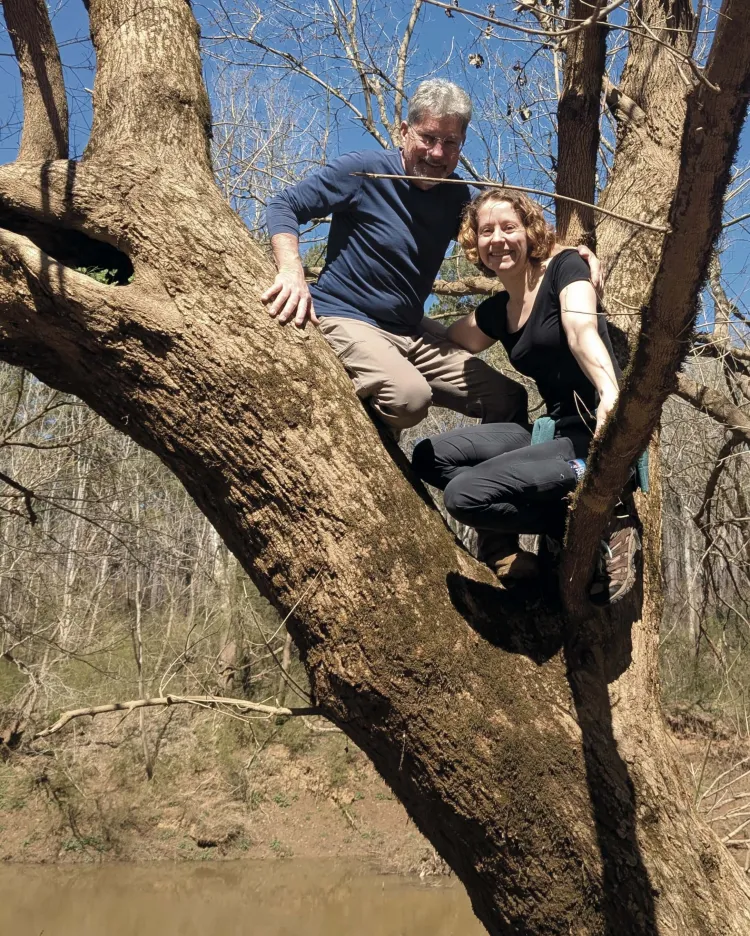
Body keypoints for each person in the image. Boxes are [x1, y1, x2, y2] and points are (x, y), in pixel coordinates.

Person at [262, 79, 601, 431]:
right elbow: (285, 204)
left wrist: (573, 254)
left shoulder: (459, 197)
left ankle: (487, 480)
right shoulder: (364, 172)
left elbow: (518, 232)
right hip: (349, 316)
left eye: (450, 142)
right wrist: (291, 271)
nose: (437, 153)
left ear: (460, 145)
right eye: (428, 138)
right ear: (405, 131)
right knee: (410, 399)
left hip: (410, 329)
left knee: (507, 399)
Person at [410, 189, 640, 604]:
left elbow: (580, 330)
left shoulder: (567, 269)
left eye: (508, 227)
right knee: (429, 457)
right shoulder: (500, 310)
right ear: (475, 244)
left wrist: (609, 396)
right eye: (486, 231)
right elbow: (448, 336)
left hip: (591, 437)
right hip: (548, 435)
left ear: (530, 233)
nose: (497, 238)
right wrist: (386, 315)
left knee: (463, 496)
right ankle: (557, 512)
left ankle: (606, 518)